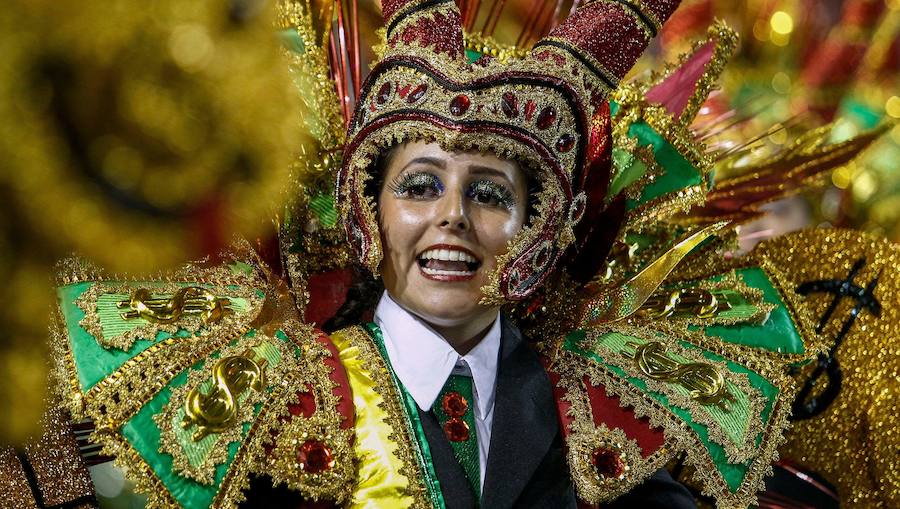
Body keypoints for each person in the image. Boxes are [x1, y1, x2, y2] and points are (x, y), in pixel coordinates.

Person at [3, 0, 893, 508]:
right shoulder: (276, 413)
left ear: (542, 231)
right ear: (368, 212)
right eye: (420, 185)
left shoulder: (614, 431)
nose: (453, 220)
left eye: (493, 194)